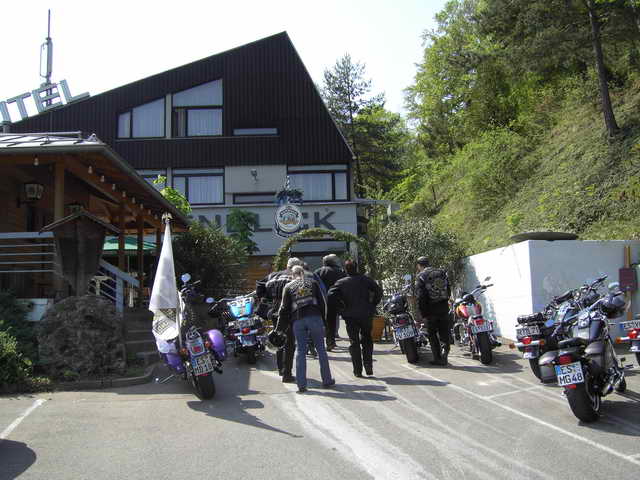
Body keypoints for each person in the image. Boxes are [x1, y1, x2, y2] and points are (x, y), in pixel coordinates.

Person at [278, 265, 335, 393]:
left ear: (292, 275)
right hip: (314, 317)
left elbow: (283, 308)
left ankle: (301, 384)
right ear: (303, 273)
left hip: (297, 320)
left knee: (300, 351)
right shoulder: (313, 283)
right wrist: (324, 321)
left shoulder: (288, 286)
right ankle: (327, 380)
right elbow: (323, 302)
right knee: (321, 349)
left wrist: (280, 327)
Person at [328, 259, 382, 377]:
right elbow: (378, 291)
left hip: (350, 315)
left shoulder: (341, 282)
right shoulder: (366, 280)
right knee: (367, 339)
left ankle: (357, 370)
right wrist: (373, 304)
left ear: (345, 269)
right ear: (356, 268)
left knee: (354, 341)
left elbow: (330, 295)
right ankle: (368, 366)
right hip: (365, 314)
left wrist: (340, 307)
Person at [256, 257, 303, 383]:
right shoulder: (295, 277)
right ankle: (287, 373)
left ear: (287, 265)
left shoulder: (273, 275)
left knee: (278, 339)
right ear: (297, 267)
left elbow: (259, 285)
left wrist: (265, 298)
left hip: (275, 312)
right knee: (290, 343)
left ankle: (281, 368)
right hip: (290, 313)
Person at [415, 256, 451, 366]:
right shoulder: (441, 272)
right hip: (443, 307)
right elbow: (448, 289)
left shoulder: (421, 276)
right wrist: (445, 301)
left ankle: (437, 358)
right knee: (444, 332)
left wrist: (422, 312)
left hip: (430, 310)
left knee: (432, 334)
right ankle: (445, 352)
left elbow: (421, 296)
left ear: (419, 265)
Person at [315, 254, 346, 351]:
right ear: (333, 262)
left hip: (320, 300)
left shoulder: (318, 271)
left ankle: (318, 343)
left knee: (319, 321)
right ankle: (330, 342)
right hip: (334, 300)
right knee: (331, 321)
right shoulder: (340, 271)